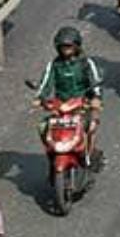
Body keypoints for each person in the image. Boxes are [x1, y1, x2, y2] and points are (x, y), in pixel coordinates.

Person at [32, 27, 104, 168]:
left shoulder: (86, 63)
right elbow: (46, 82)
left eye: (69, 46)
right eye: (63, 46)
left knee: (90, 126)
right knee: (43, 128)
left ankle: (88, 155)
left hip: (82, 105)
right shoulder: (54, 65)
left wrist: (96, 97)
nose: (66, 49)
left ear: (76, 46)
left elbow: (95, 81)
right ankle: (52, 157)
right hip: (61, 106)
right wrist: (39, 97)